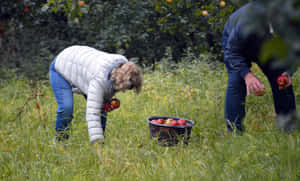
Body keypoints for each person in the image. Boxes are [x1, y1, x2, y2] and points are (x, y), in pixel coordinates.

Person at [222, 2, 296, 133]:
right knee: (236, 80)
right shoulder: (248, 20)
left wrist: (288, 72)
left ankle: (288, 128)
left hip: (267, 45)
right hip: (238, 44)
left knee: (280, 76)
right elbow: (232, 51)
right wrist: (247, 74)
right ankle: (234, 131)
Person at [49, 45, 143, 147]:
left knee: (101, 107)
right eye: (126, 88)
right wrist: (98, 144)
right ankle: (60, 141)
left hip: (82, 65)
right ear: (121, 81)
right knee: (67, 107)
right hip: (62, 65)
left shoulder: (123, 66)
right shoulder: (99, 80)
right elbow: (93, 113)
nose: (124, 91)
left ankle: (101, 137)